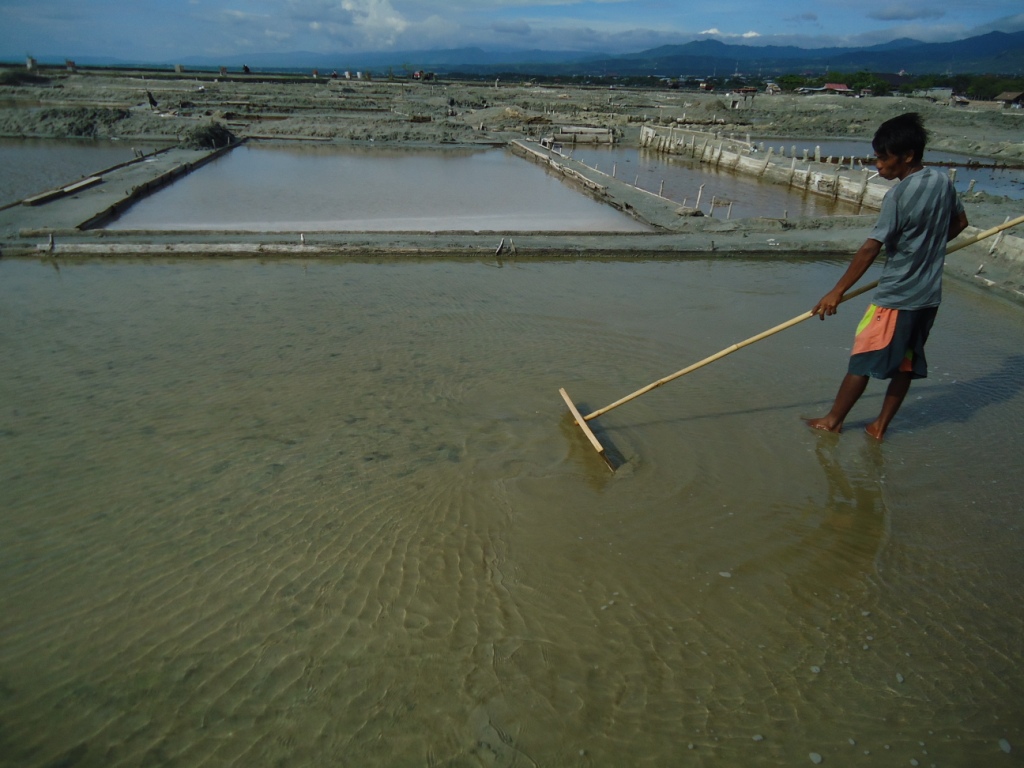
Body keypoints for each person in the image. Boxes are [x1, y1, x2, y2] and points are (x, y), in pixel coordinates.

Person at [805, 112, 969, 440]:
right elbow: (961, 223)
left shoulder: (898, 195)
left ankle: (833, 421)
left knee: (862, 358)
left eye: (883, 158)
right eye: (876, 157)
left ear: (907, 156)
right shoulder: (941, 182)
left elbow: (870, 248)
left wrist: (836, 291)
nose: (877, 165)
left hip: (896, 296)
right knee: (905, 363)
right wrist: (929, 249)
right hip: (928, 297)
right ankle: (879, 427)